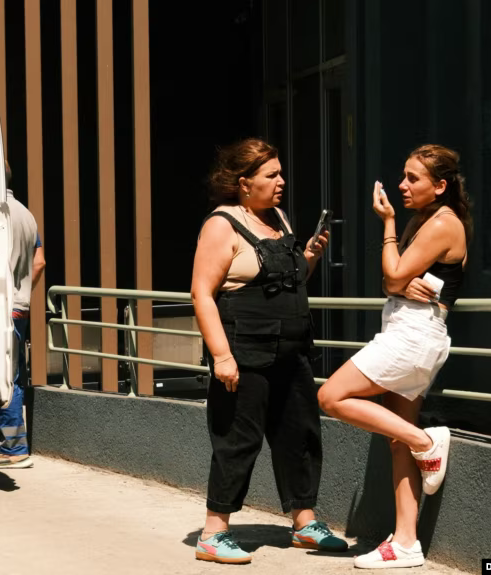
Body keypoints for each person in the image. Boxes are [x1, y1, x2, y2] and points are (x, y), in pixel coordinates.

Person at [190, 138, 345, 565]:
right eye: (271, 175)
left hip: (292, 351)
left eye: (280, 173)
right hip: (244, 352)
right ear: (244, 183)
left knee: (300, 435)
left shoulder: (278, 218)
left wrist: (308, 257)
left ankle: (304, 522)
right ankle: (214, 532)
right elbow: (202, 294)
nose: (281, 181)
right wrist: (222, 356)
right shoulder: (221, 224)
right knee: (238, 440)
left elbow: (287, 282)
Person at [316, 145, 471, 569]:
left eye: (413, 178)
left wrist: (387, 227)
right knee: (397, 440)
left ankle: (428, 442)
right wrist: (398, 281)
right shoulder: (425, 220)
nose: (402, 185)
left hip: (413, 336)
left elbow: (392, 274)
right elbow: (392, 283)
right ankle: (406, 542)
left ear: (440, 185)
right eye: (404, 175)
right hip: (412, 332)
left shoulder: (443, 222)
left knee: (331, 396)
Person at [0, 161, 45, 470]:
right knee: (12, 371)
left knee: (4, 376)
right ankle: (3, 441)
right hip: (19, 305)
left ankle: (14, 448)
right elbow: (39, 262)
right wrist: (23, 290)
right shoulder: (26, 214)